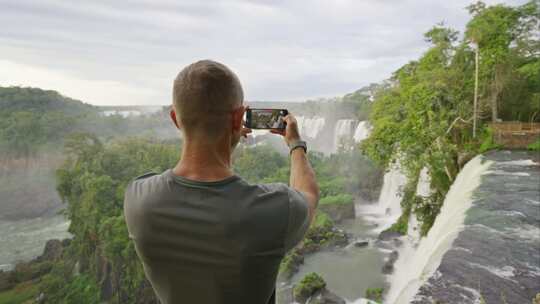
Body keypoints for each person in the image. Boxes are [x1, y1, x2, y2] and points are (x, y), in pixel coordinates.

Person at [123, 60, 319, 304]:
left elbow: (204, 185)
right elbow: (308, 193)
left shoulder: (138, 198)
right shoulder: (275, 209)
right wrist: (295, 144)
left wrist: (228, 137)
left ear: (175, 118)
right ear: (239, 119)